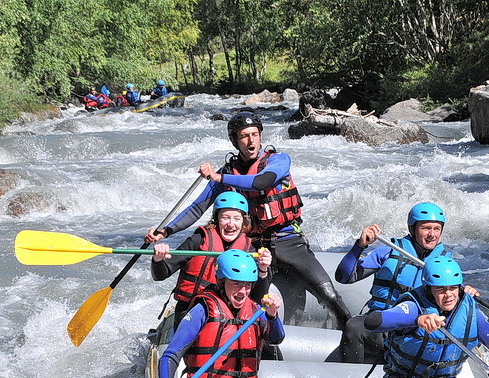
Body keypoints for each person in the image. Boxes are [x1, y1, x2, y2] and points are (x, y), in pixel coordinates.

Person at [144, 111, 352, 329]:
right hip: (251, 247)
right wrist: (166, 231)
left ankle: (352, 337)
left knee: (329, 295)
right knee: (249, 305)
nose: (251, 140)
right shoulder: (226, 173)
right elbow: (197, 208)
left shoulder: (278, 160)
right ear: (235, 141)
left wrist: (218, 177)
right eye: (244, 136)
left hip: (288, 241)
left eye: (254, 134)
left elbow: (263, 181)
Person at [158, 250, 326, 378]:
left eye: (248, 284)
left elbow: (275, 339)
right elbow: (171, 355)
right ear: (221, 281)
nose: (243, 291)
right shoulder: (203, 309)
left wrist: (272, 314)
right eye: (236, 283)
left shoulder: (254, 309)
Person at [365, 257, 489, 378]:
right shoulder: (414, 306)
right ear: (429, 289)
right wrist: (417, 319)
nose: (449, 295)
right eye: (441, 289)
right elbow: (372, 322)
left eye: (453, 288)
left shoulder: (471, 314)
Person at [335, 202, 456, 363]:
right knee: (354, 326)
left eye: (437, 229)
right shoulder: (389, 251)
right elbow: (344, 277)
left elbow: (452, 302)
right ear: (412, 228)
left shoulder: (446, 262)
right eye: (426, 228)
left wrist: (465, 291)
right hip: (381, 325)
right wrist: (360, 246)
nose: (432, 234)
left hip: (417, 329)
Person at [151, 192, 272, 330]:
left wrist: (263, 270)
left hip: (231, 314)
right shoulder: (199, 240)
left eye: (237, 219)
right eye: (225, 218)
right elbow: (160, 275)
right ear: (216, 219)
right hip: (193, 311)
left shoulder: (249, 250)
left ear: (243, 222)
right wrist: (158, 259)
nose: (231, 224)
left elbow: (257, 298)